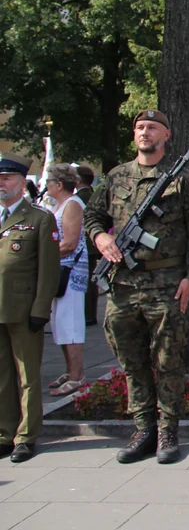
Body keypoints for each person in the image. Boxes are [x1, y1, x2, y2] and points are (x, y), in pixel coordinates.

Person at [84, 110, 189, 464]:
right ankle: (144, 429)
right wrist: (100, 239)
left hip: (167, 284)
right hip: (123, 284)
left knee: (167, 359)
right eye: (140, 127)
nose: (145, 132)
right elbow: (93, 216)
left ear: (166, 135)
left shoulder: (183, 181)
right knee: (132, 362)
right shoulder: (116, 176)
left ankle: (169, 431)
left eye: (152, 127)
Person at [0, 153, 60, 463]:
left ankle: (26, 436)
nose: (1, 183)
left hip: (23, 310)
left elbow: (48, 269)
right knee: (2, 376)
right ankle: (4, 431)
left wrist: (41, 308)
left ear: (23, 182)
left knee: (27, 376)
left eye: (7, 178)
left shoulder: (39, 218)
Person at [43, 164, 90, 398]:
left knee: (69, 322)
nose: (46, 186)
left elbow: (70, 242)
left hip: (70, 273)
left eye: (49, 182)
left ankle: (77, 375)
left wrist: (43, 254)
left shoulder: (72, 204)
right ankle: (69, 370)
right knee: (59, 323)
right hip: (60, 270)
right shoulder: (61, 204)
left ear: (59, 185)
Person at [75, 165, 101, 326]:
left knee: (86, 280)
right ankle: (90, 313)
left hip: (84, 243)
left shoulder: (81, 197)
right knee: (91, 281)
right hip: (91, 244)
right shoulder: (92, 193)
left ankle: (87, 314)